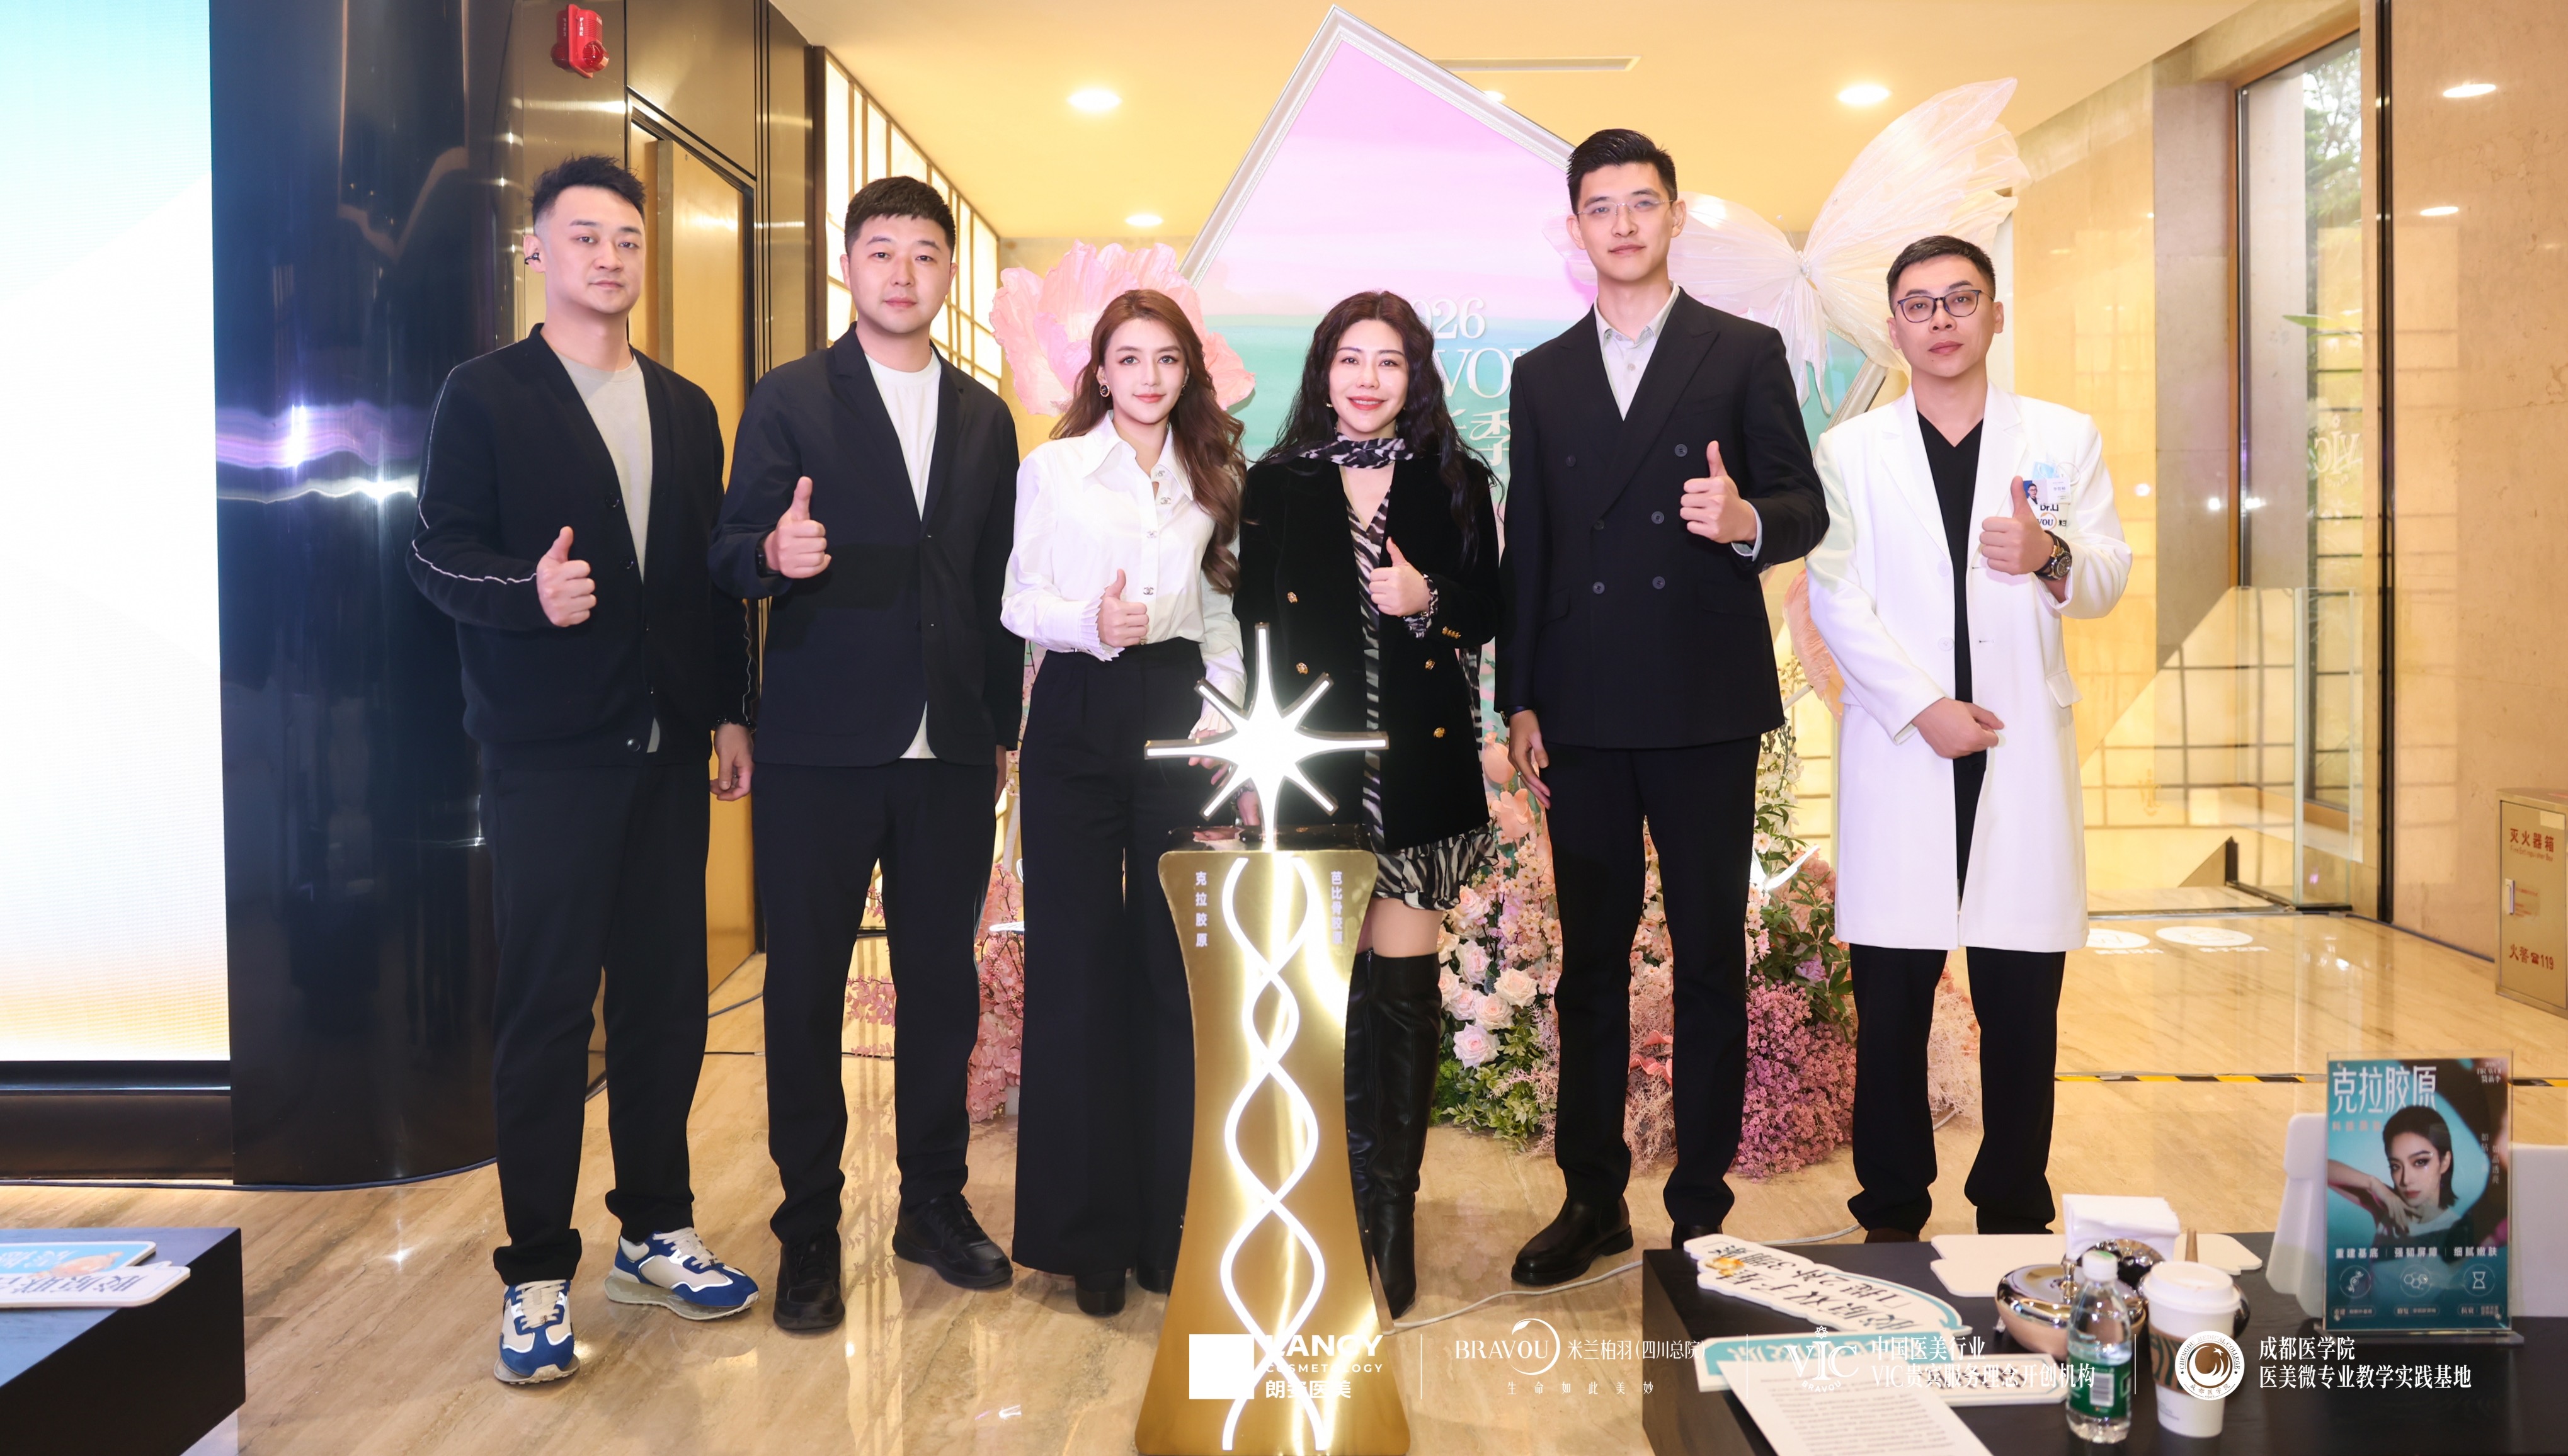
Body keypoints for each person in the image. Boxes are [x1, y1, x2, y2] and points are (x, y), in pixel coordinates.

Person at [409, 154, 762, 1385]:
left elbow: (711, 582)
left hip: (669, 752)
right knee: (550, 1014)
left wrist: (731, 712)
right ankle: (537, 1272)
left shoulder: (687, 406)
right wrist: (529, 590)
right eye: (583, 237)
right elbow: (435, 554)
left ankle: (654, 1232)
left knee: (667, 1002)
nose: (609, 258)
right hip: (548, 756)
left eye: (626, 240)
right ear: (536, 251)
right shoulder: (485, 395)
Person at [1498, 130, 1829, 1285]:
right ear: (1575, 228)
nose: (1624, 224)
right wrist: (1518, 699)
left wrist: (1746, 523)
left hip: (1702, 705)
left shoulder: (1741, 350)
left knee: (1707, 964)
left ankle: (1700, 1212)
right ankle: (1590, 1199)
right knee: (1588, 966)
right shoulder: (1540, 374)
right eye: (1601, 207)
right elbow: (1530, 542)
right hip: (1581, 709)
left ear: (1675, 216)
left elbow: (1802, 503)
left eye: (1642, 203)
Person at [710, 176, 1023, 1331]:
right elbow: (725, 550)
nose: (903, 272)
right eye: (881, 250)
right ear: (846, 266)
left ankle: (931, 1202)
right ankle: (807, 1226)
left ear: (949, 276)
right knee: (803, 990)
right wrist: (773, 554)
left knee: (941, 984)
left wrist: (1002, 729)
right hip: (820, 747)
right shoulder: (792, 396)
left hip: (952, 748)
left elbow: (995, 581)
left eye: (925, 253)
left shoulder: (986, 416)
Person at [1804, 234, 2130, 1241]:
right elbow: (1834, 596)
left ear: (1995, 313)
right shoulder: (1850, 452)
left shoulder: (2060, 437)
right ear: (1893, 327)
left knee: (2021, 1005)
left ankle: (2012, 1208)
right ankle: (1891, 1210)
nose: (1940, 320)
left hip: (2016, 745)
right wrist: (1922, 708)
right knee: (1891, 1007)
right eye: (1918, 304)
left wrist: (2050, 554)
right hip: (1906, 746)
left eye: (1960, 299)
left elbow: (2108, 575)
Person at [1236, 292, 1504, 1317]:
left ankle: (1390, 1213)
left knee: (1401, 997)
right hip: (1312, 776)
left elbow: (1490, 608)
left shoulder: (1455, 478)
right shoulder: (1275, 483)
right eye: (1350, 359)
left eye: (1388, 362)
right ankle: (1329, 1201)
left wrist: (1427, 600)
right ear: (1322, 371)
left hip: (1421, 779)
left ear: (1415, 376)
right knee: (1325, 1000)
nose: (1366, 379)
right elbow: (1254, 630)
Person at [1003, 290, 1243, 1317]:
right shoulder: (1054, 469)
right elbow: (1016, 599)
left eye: (1167, 360)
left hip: (1178, 716)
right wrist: (1088, 622)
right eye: (1129, 358)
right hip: (1075, 707)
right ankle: (1085, 1238)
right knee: (1075, 970)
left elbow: (1225, 617)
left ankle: (1168, 1228)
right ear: (1098, 372)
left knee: (1169, 971)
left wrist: (1222, 714)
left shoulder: (1214, 476)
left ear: (1188, 373)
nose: (1148, 377)